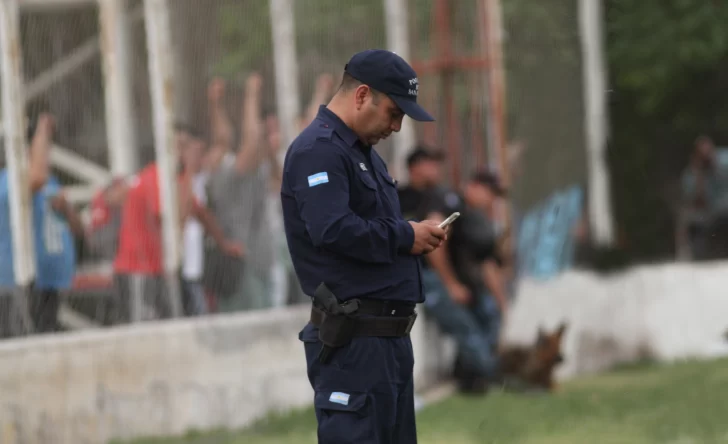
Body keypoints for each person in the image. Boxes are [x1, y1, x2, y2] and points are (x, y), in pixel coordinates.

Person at [281, 49, 445, 444]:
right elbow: (332, 229)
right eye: (393, 112)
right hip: (355, 344)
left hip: (385, 342)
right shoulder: (319, 150)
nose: (397, 126)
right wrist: (407, 236)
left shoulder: (361, 155)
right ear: (361, 95)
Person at [419, 171, 509, 393]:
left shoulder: (475, 219)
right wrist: (450, 285)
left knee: (490, 317)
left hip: (464, 286)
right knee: (469, 332)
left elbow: (486, 262)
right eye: (490, 193)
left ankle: (470, 377)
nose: (492, 200)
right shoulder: (449, 201)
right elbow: (435, 242)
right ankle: (495, 378)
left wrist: (500, 302)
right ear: (475, 186)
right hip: (435, 281)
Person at [0, 113, 84, 335]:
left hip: (49, 282)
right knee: (24, 343)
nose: (46, 151)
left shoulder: (50, 182)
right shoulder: (11, 180)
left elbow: (78, 229)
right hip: (18, 283)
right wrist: (42, 130)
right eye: (42, 146)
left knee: (45, 338)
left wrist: (65, 209)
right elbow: (36, 177)